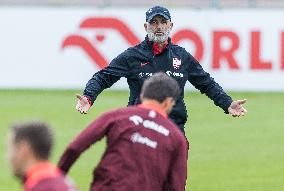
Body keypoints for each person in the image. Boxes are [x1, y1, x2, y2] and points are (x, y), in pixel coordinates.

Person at [75, 5, 247, 132]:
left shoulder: (182, 56)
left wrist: (227, 103)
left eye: (163, 22)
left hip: (174, 130)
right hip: (140, 129)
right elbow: (103, 77)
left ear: (170, 26)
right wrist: (88, 96)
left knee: (175, 182)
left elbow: (206, 83)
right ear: (146, 27)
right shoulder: (132, 56)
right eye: (154, 22)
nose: (159, 27)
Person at [58, 72, 188, 191]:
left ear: (142, 96)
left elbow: (76, 146)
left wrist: (58, 176)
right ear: (168, 102)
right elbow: (176, 185)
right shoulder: (176, 137)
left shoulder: (116, 116)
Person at [6, 121, 77, 191]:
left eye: (11, 149)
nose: (8, 157)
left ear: (24, 148)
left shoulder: (41, 186)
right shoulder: (60, 179)